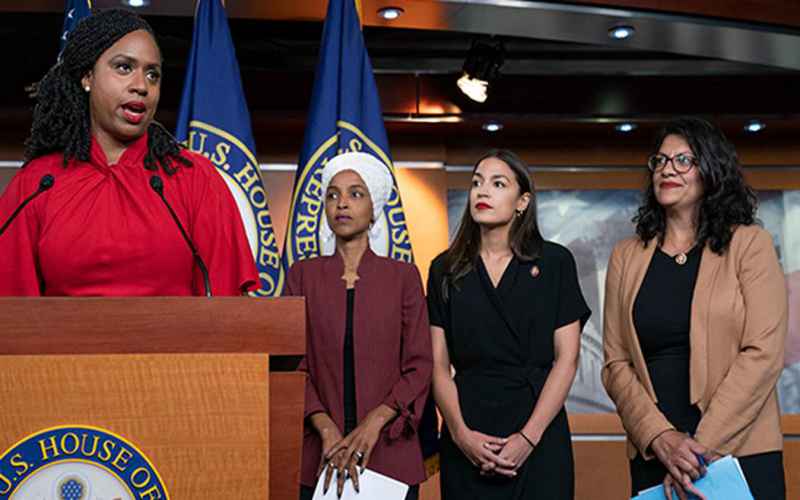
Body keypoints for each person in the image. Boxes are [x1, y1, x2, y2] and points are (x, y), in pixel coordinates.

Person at [0, 9, 257, 296]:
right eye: (124, 67)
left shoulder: (196, 179)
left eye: (152, 74)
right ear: (88, 77)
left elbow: (230, 313)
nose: (141, 86)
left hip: (176, 342)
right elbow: (11, 313)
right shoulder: (36, 184)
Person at [602, 117, 787, 500]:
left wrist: (698, 452)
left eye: (683, 160)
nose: (668, 169)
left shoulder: (750, 244)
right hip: (655, 455)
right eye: (661, 160)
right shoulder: (626, 255)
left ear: (711, 171)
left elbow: (764, 353)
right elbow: (616, 363)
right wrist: (661, 438)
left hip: (739, 449)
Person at [428, 149, 590, 499]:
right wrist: (460, 434)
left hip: (539, 428)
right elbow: (438, 366)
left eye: (497, 184)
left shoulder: (555, 262)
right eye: (476, 183)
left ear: (522, 201)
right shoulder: (444, 268)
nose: (482, 192)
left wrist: (528, 438)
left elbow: (568, 359)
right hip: (467, 427)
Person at [285, 152, 432, 500]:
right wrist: (325, 429)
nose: (342, 204)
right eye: (332, 194)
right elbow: (291, 365)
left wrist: (373, 424)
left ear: (374, 207)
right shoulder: (302, 275)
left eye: (355, 193)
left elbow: (419, 364)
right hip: (317, 454)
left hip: (389, 451)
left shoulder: (403, 277)